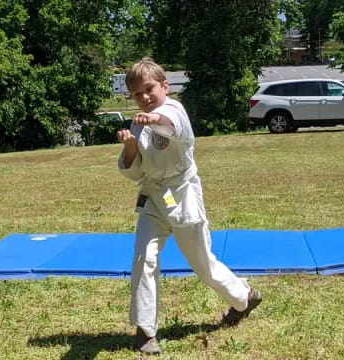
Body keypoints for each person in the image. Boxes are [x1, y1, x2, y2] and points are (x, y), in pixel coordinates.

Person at [117, 58, 262, 355]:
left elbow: (170, 128)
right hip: (154, 199)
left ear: (164, 86)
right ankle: (145, 331)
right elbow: (135, 169)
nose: (144, 98)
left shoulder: (173, 110)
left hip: (182, 196)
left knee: (203, 264)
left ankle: (244, 297)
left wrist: (153, 120)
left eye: (149, 89)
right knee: (144, 258)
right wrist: (130, 146)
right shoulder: (137, 122)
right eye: (137, 94)